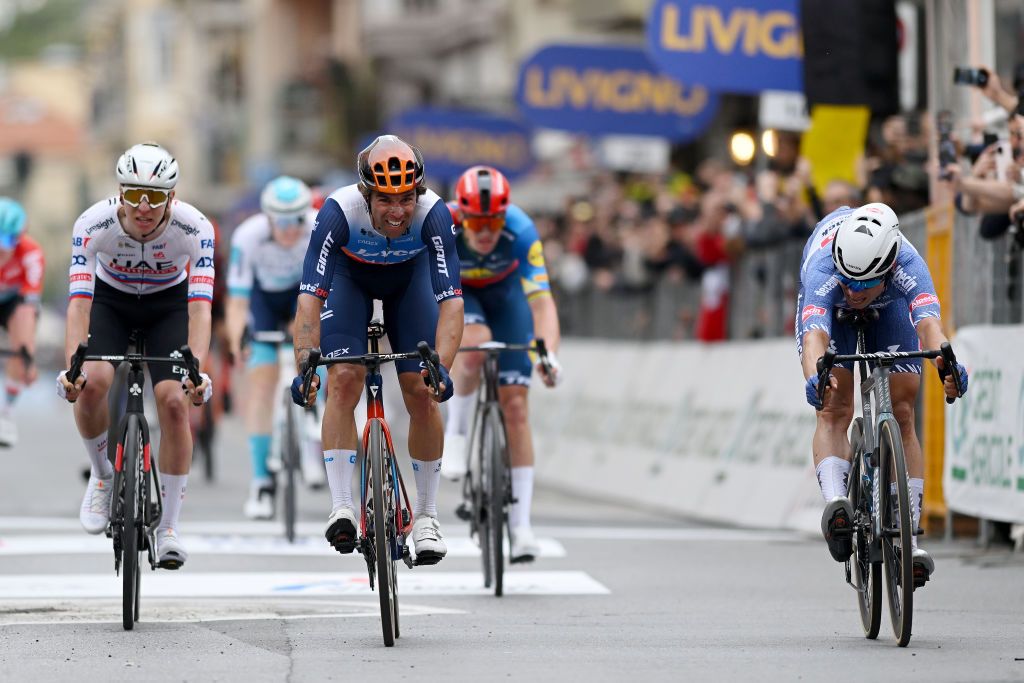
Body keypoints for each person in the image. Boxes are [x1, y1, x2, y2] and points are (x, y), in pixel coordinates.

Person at [290, 135, 463, 564]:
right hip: (351, 279)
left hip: (410, 280)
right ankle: (343, 505)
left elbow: (452, 303)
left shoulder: (435, 215)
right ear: (366, 194)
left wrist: (441, 368)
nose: (397, 211)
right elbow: (310, 299)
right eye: (385, 200)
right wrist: (305, 367)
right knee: (343, 378)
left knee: (422, 390)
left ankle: (425, 516)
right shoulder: (338, 211)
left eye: (406, 198)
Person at [58, 142, 214, 570]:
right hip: (111, 302)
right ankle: (103, 475)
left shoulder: (195, 227)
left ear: (172, 198)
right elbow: (78, 304)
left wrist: (197, 370)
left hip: (169, 306)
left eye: (156, 198)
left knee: (175, 403)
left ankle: (169, 529)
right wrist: (72, 366)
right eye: (132, 196)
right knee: (90, 386)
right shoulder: (93, 223)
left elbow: (200, 306)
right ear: (120, 192)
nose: (143, 208)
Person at [797, 202, 968, 587]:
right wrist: (815, 376)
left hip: (890, 308)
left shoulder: (908, 264)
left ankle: (908, 536)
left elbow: (929, 329)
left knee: (903, 411)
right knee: (832, 406)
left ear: (888, 268)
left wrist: (947, 365)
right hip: (830, 317)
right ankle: (837, 507)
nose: (852, 291)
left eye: (862, 283)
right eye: (847, 281)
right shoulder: (825, 267)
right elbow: (814, 337)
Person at [440, 165, 562, 563]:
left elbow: (542, 302)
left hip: (507, 299)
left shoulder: (521, 231)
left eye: (493, 221)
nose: (487, 231)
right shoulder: (443, 223)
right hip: (461, 296)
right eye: (477, 221)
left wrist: (548, 355)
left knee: (515, 406)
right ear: (463, 214)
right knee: (473, 349)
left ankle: (522, 524)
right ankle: (455, 437)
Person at [226, 176, 323, 519]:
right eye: (281, 221)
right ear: (267, 218)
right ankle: (260, 482)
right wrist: (240, 341)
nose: (290, 229)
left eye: (297, 219)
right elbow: (237, 303)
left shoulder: (317, 228)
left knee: (315, 361)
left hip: (304, 295)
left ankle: (315, 435)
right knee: (262, 384)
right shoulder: (248, 237)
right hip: (264, 302)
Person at [0, 197, 44, 447]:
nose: (1, 248)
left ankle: (6, 413)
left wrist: (27, 352)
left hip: (14, 301)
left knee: (22, 337)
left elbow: (30, 305)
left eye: (8, 240)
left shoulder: (31, 253)